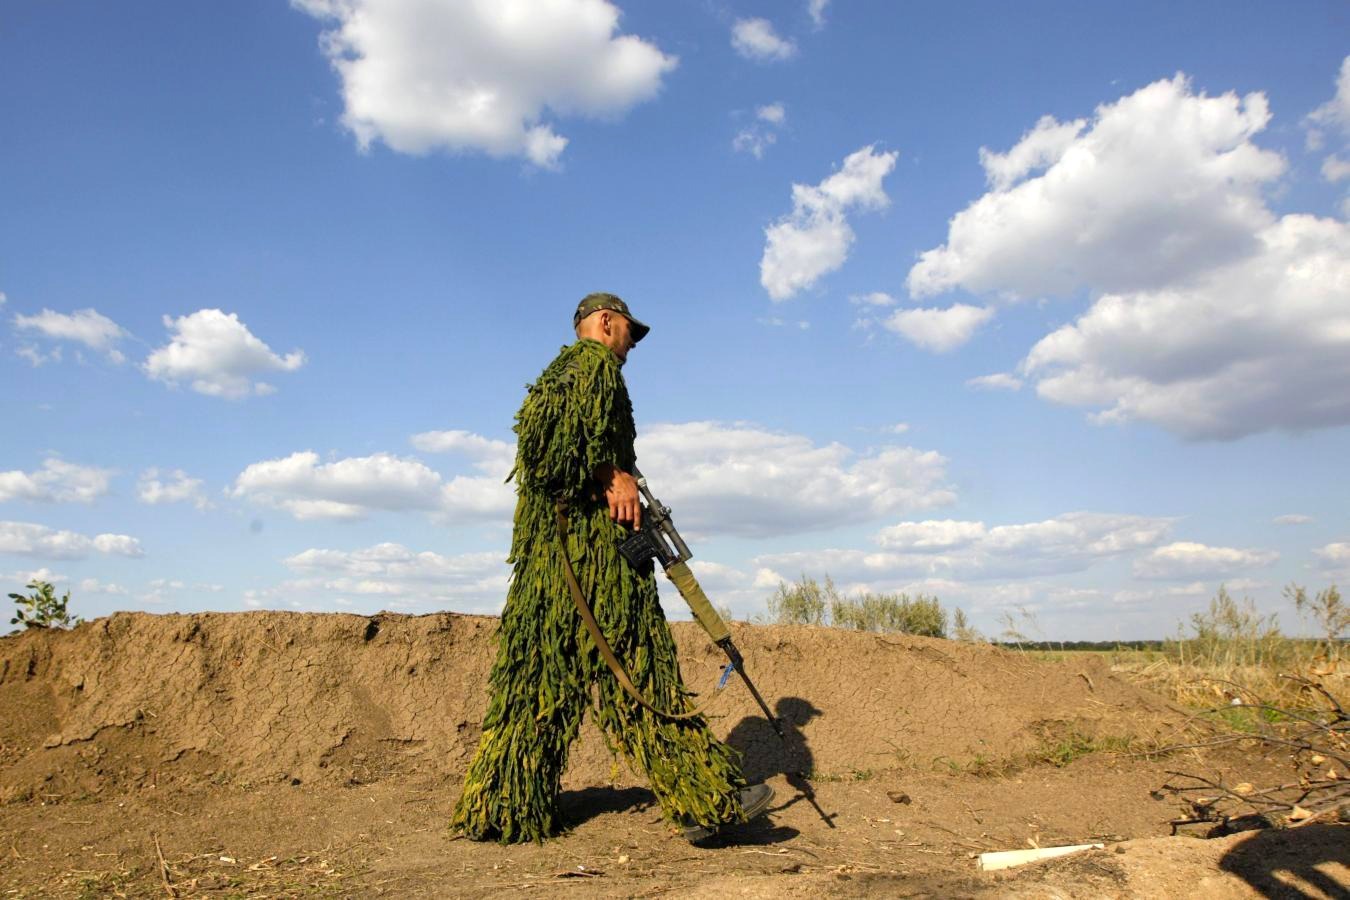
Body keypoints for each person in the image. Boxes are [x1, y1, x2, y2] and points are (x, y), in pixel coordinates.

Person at [450, 292, 773, 844]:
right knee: (641, 672)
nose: (631, 344)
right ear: (605, 322)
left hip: (552, 568)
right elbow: (550, 449)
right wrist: (610, 474)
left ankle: (502, 807)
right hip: (598, 562)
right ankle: (707, 801)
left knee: (536, 684)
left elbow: (543, 446)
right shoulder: (595, 367)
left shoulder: (560, 373)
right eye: (629, 331)